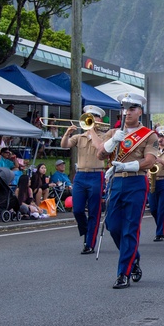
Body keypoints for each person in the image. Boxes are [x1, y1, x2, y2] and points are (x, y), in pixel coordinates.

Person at [99, 93, 159, 288]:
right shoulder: (113, 132)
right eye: (124, 109)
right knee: (113, 225)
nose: (127, 112)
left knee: (130, 229)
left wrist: (126, 166)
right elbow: (100, 154)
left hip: (136, 182)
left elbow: (150, 161)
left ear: (140, 111)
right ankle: (133, 257)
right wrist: (112, 142)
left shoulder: (149, 135)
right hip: (116, 182)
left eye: (132, 108)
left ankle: (123, 273)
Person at [61, 106, 109, 255]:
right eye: (89, 117)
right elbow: (64, 145)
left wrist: (91, 131)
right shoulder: (79, 137)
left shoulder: (105, 136)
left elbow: (100, 147)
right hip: (80, 175)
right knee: (77, 209)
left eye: (94, 117)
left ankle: (89, 243)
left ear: (99, 119)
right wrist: (67, 133)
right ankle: (87, 231)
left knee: (94, 211)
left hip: (96, 174)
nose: (92, 119)